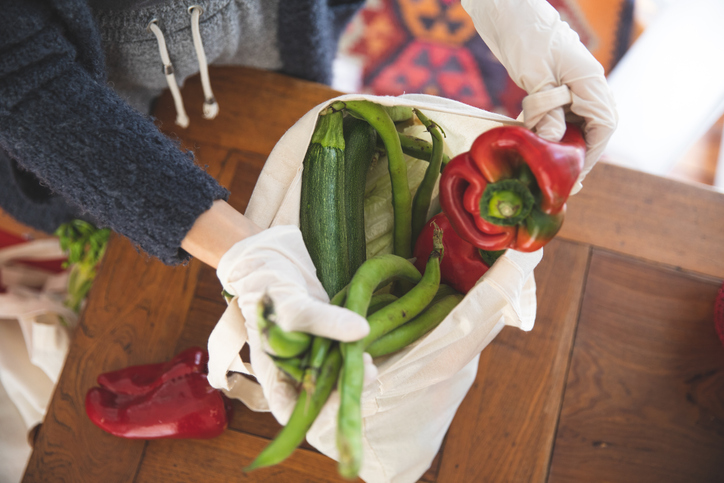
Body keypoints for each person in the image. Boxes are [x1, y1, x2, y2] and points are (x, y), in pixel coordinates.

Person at [0, 0, 617, 481]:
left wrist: (519, 14)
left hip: (266, 66)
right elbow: (19, 77)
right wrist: (247, 253)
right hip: (101, 134)